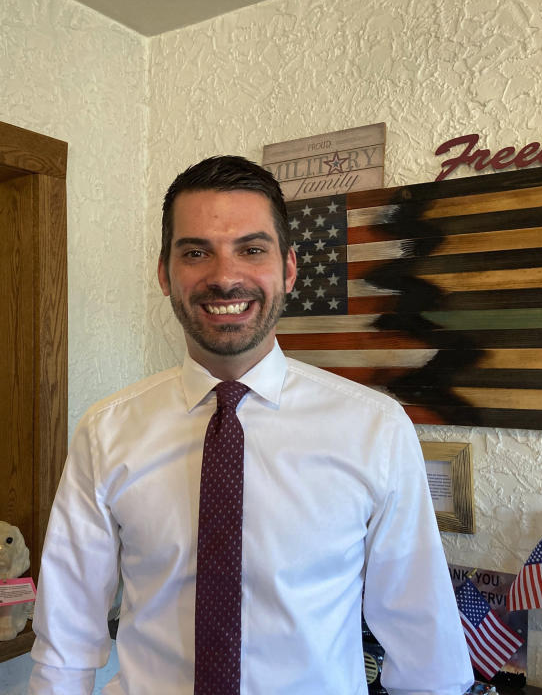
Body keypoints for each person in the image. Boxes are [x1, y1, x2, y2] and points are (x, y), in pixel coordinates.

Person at [29, 155, 473, 694]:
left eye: (251, 249)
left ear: (288, 268)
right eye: (196, 252)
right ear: (164, 273)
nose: (225, 277)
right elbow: (66, 642)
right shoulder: (105, 432)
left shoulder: (375, 430)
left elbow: (425, 644)